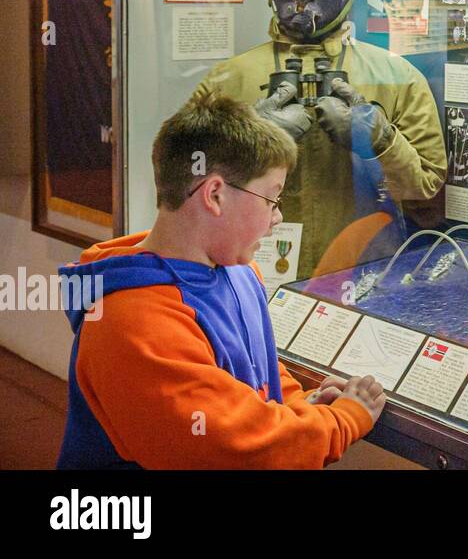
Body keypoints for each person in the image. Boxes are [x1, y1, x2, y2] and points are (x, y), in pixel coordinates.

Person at [57, 92, 385, 468]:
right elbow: (234, 448)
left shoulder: (240, 272)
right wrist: (343, 420)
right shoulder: (131, 322)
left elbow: (260, 376)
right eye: (271, 199)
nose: (277, 217)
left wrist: (303, 405)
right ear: (214, 195)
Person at [194, 0, 447, 278]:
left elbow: (427, 190)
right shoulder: (228, 80)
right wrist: (245, 139)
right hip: (251, 272)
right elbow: (184, 180)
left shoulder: (397, 78)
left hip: (364, 271)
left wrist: (379, 138)